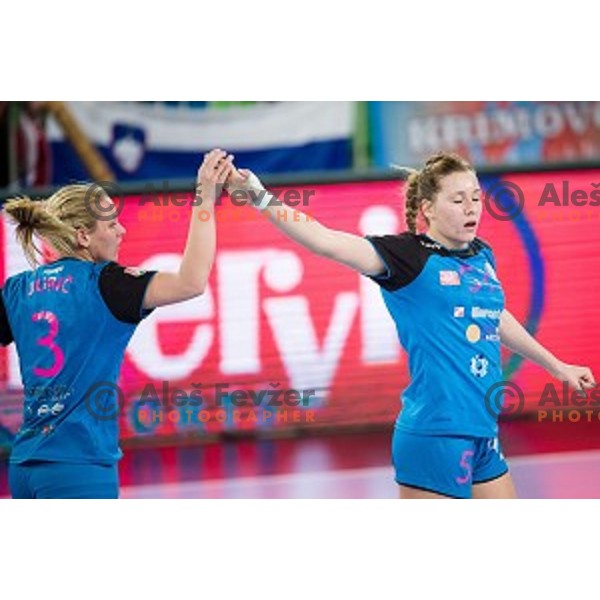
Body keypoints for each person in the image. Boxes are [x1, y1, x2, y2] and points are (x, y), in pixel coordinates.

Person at [225, 152, 597, 499]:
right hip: (435, 433)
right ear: (428, 210)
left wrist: (557, 366)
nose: (471, 208)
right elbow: (324, 241)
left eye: (476, 198)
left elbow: (494, 317)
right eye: (458, 200)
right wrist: (257, 196)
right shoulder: (406, 256)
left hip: (483, 431)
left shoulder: (482, 254)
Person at [0, 148, 234, 498]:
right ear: (83, 236)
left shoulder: (17, 288)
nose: (122, 231)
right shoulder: (106, 283)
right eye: (111, 224)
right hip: (80, 468)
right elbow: (192, 281)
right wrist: (204, 198)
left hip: (24, 468)